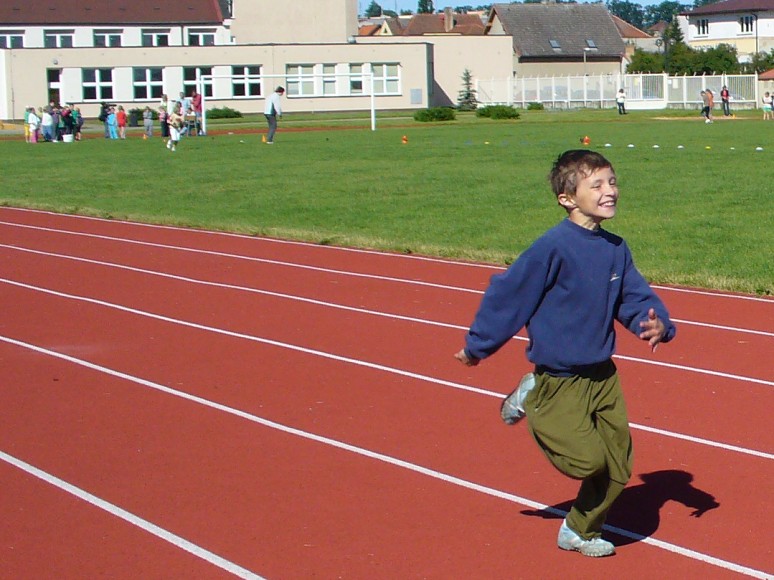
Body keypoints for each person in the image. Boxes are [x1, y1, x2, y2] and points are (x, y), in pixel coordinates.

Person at [454, 149, 676, 558]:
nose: (610, 191)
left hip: (602, 375)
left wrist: (659, 323)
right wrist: (478, 346)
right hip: (560, 377)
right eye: (598, 185)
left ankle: (578, 530)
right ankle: (532, 393)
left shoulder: (614, 248)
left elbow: (634, 297)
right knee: (586, 462)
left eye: (612, 182)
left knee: (618, 466)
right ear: (568, 198)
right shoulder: (552, 248)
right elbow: (509, 295)